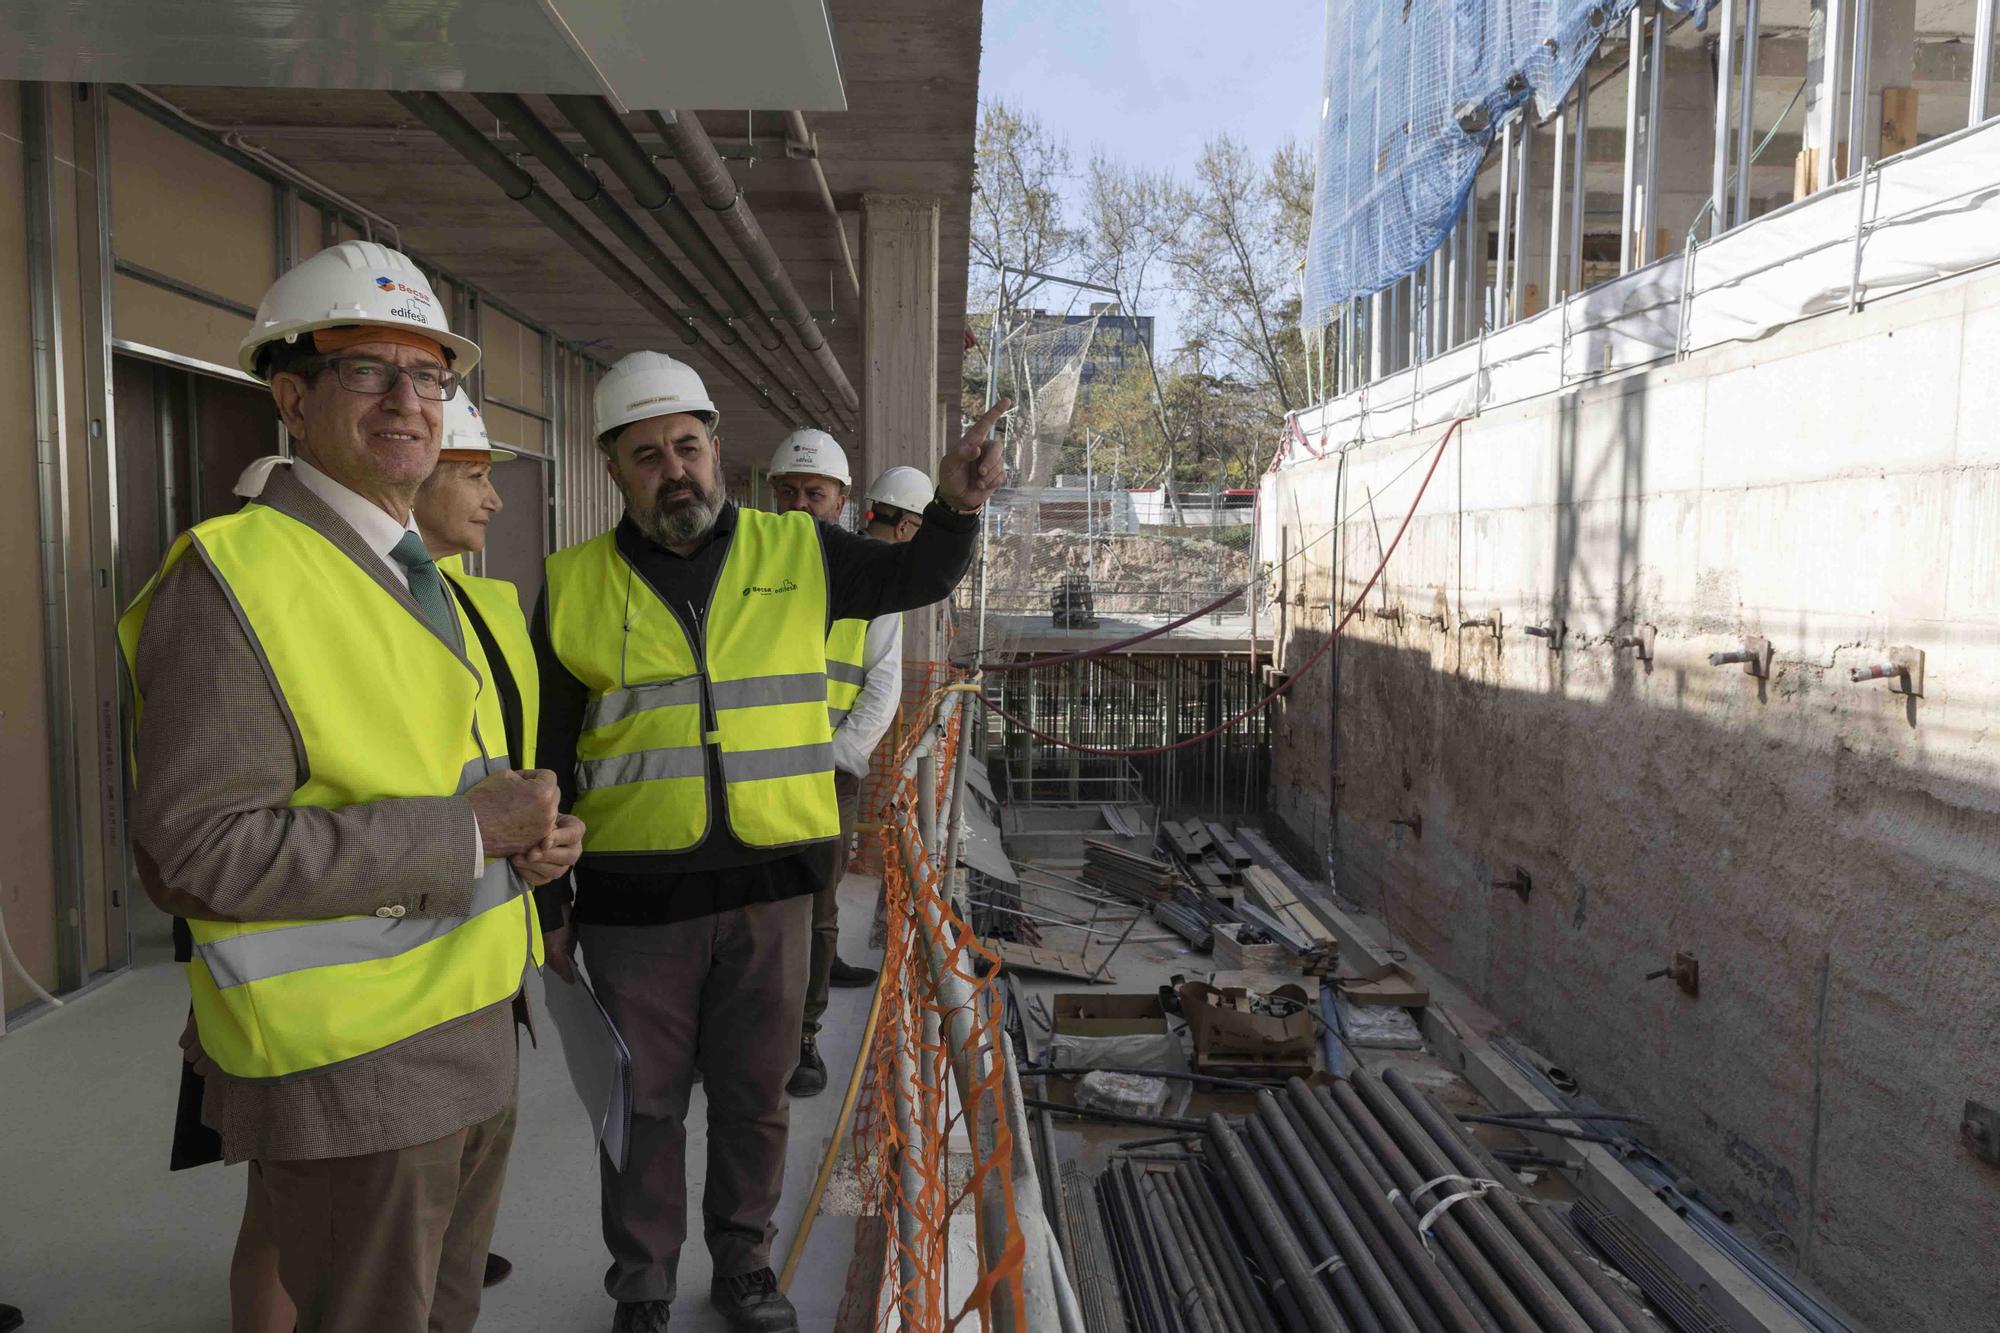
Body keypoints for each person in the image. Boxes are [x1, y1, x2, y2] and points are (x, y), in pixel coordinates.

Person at [119, 240, 581, 1333]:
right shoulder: (233, 576)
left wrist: (524, 844)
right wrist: (465, 834)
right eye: (368, 371)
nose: (409, 401)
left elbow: (425, 771)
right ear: (292, 397)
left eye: (429, 375)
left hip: (474, 1035)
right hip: (352, 1075)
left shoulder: (418, 576)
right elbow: (195, 852)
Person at [534, 351, 1009, 1333]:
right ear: (614, 471)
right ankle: (645, 1287)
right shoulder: (572, 585)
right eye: (647, 454)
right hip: (633, 908)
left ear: (717, 451)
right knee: (643, 1113)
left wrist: (957, 506)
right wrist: (550, 907)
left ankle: (744, 1262)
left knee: (755, 1103)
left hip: (769, 895)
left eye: (687, 446)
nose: (674, 469)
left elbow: (914, 572)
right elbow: (545, 755)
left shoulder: (797, 550)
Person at [765, 442, 936, 1099]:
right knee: (757, 910)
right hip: (763, 769)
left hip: (824, 770)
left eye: (816, 494)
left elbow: (881, 685)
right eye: (791, 491)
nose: (802, 506)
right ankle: (750, 1031)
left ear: (843, 501)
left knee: (816, 903)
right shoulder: (756, 570)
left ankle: (803, 1035)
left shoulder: (869, 582)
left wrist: (834, 757)